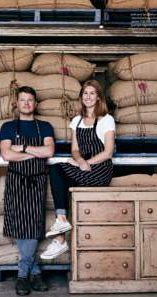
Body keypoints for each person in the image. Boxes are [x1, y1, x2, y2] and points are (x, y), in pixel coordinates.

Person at [40, 80, 115, 260]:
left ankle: (60, 239)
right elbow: (74, 149)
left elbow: (108, 153)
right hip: (84, 166)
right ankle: (61, 225)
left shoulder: (106, 120)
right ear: (81, 97)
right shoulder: (76, 120)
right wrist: (79, 160)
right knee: (57, 170)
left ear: (98, 97)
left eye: (92, 93)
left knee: (60, 173)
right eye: (85, 93)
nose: (88, 97)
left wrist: (85, 163)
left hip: (100, 169)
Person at [0, 86, 55, 296]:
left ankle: (22, 275)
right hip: (16, 181)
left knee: (32, 226)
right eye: (22, 100)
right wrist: (34, 153)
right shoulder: (8, 127)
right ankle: (35, 272)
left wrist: (20, 148)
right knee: (21, 226)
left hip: (37, 181)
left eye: (30, 100)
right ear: (17, 103)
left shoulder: (45, 126)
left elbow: (49, 151)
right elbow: (6, 155)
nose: (26, 103)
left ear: (35, 104)